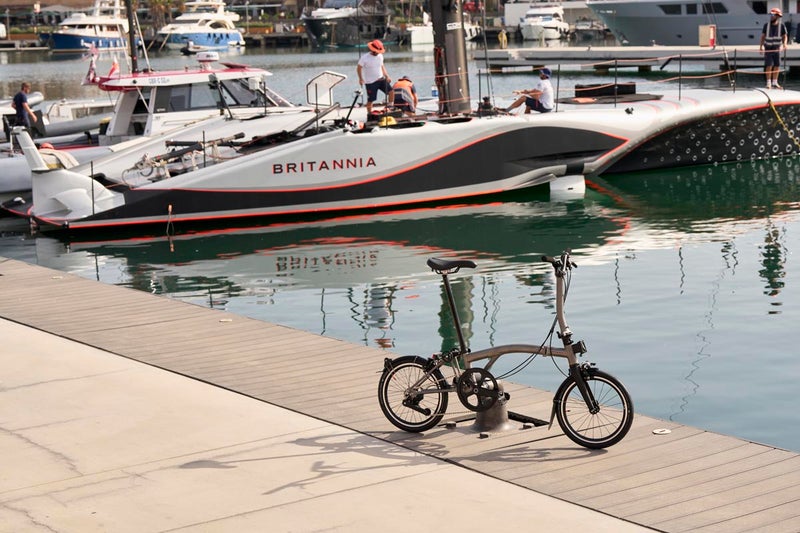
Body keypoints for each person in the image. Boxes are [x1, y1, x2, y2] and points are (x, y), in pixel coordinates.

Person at [357, 39, 392, 115]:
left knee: (391, 92)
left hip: (381, 79)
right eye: (376, 51)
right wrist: (360, 79)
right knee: (371, 99)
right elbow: (359, 68)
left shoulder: (380, 56)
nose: (377, 53)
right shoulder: (364, 58)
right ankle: (369, 114)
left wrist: (387, 76)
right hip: (370, 82)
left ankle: (390, 107)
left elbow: (382, 66)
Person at [760, 8, 788, 89]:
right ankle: (768, 83)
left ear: (777, 16)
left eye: (773, 15)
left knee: (777, 65)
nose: (771, 16)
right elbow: (762, 36)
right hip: (768, 49)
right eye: (771, 15)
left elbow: (785, 36)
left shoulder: (782, 26)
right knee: (768, 65)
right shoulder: (766, 25)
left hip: (777, 49)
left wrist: (785, 44)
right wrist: (761, 47)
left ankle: (775, 82)